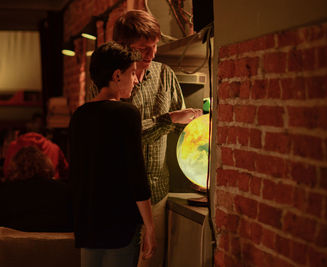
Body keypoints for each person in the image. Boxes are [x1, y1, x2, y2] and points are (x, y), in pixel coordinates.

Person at [113, 10, 203, 267]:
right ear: (123, 47)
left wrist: (199, 133)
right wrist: (170, 119)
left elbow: (181, 130)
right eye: (143, 49)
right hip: (121, 193)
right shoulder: (110, 79)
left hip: (158, 191)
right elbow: (120, 135)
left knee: (150, 263)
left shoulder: (165, 75)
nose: (151, 55)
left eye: (154, 46)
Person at [69, 41, 156, 267]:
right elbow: (136, 174)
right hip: (120, 224)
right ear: (117, 76)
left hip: (87, 223)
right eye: (132, 74)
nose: (136, 80)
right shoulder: (126, 114)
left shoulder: (79, 116)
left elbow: (77, 174)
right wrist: (150, 225)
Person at [0, 146, 73, 232]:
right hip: (57, 244)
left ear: (14, 166)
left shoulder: (5, 191)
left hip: (13, 244)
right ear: (46, 164)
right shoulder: (64, 190)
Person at [3, 131, 69, 180]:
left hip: (17, 190)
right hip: (49, 191)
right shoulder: (53, 147)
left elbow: (6, 172)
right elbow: (66, 172)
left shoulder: (13, 146)